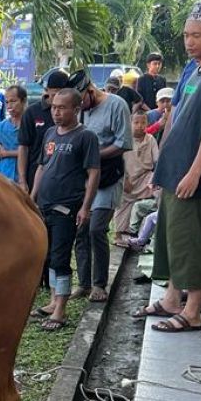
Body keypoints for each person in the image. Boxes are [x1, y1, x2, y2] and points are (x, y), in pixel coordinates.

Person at [137, 2, 201, 333]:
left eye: (196, 35)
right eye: (186, 35)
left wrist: (195, 172)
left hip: (196, 175)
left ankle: (193, 309)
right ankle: (171, 299)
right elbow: (176, 117)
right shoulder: (194, 70)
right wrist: (163, 164)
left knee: (193, 239)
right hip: (174, 168)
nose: (189, 41)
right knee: (171, 237)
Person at [30, 89, 101, 331]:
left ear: (76, 109)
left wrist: (86, 207)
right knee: (48, 255)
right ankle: (52, 301)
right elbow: (41, 167)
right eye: (53, 108)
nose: (56, 112)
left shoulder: (86, 137)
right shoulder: (50, 133)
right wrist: (32, 197)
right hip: (44, 205)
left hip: (67, 207)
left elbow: (93, 173)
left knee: (61, 258)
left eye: (62, 108)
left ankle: (60, 310)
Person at [66, 70, 133, 303]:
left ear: (90, 91)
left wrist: (93, 156)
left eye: (80, 102)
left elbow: (123, 143)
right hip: (84, 179)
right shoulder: (81, 112)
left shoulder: (117, 105)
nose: (78, 109)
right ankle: (83, 283)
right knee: (81, 230)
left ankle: (99, 284)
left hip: (108, 176)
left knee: (96, 229)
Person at [18, 69, 70, 191]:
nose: (56, 100)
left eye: (60, 96)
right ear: (47, 91)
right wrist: (22, 180)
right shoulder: (32, 112)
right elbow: (23, 146)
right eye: (54, 95)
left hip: (63, 179)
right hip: (35, 174)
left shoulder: (71, 113)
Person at [113, 111, 159, 243]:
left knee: (157, 188)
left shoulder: (150, 139)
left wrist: (154, 179)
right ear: (130, 123)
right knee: (121, 204)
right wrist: (125, 178)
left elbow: (157, 161)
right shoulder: (124, 139)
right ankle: (118, 235)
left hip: (144, 177)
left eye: (143, 122)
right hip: (127, 177)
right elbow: (118, 161)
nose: (140, 126)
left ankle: (147, 231)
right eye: (136, 122)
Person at [0, 84, 26, 182]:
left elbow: (32, 152)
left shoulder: (31, 125)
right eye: (7, 102)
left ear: (23, 101)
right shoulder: (0, 127)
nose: (9, 106)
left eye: (13, 101)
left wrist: (7, 153)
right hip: (2, 177)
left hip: (23, 178)